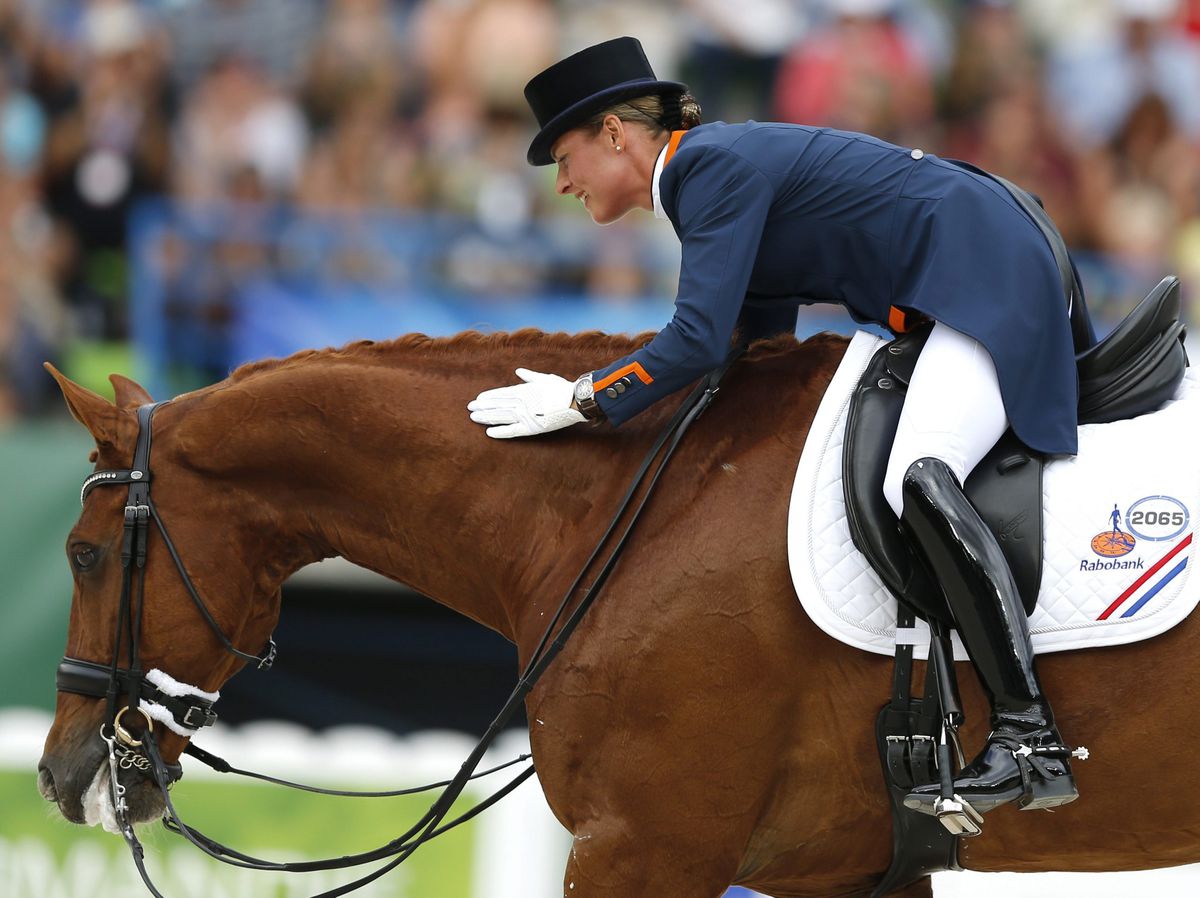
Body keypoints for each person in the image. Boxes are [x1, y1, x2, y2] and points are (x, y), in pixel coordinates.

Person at [467, 36, 1088, 820]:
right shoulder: (706, 179)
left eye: (564, 157)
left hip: (980, 272)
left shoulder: (707, 171)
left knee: (915, 478)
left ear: (616, 135)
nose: (560, 184)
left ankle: (1030, 737)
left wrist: (583, 401)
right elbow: (750, 350)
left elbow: (694, 340)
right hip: (962, 268)